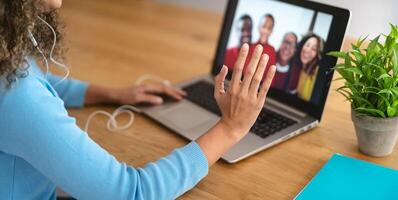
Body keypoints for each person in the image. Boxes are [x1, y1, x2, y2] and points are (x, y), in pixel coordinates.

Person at [0, 1, 276, 200]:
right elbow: (132, 193)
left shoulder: (8, 60)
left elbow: (34, 82)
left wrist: (113, 94)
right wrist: (231, 129)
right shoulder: (19, 96)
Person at [286, 33, 324, 101]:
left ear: (317, 54)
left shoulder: (317, 73)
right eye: (307, 45)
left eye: (314, 49)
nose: (308, 50)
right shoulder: (296, 67)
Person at [247, 14, 277, 80]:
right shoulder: (250, 46)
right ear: (259, 27)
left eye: (269, 28)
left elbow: (271, 76)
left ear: (271, 31)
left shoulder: (272, 51)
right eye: (264, 26)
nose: (266, 31)